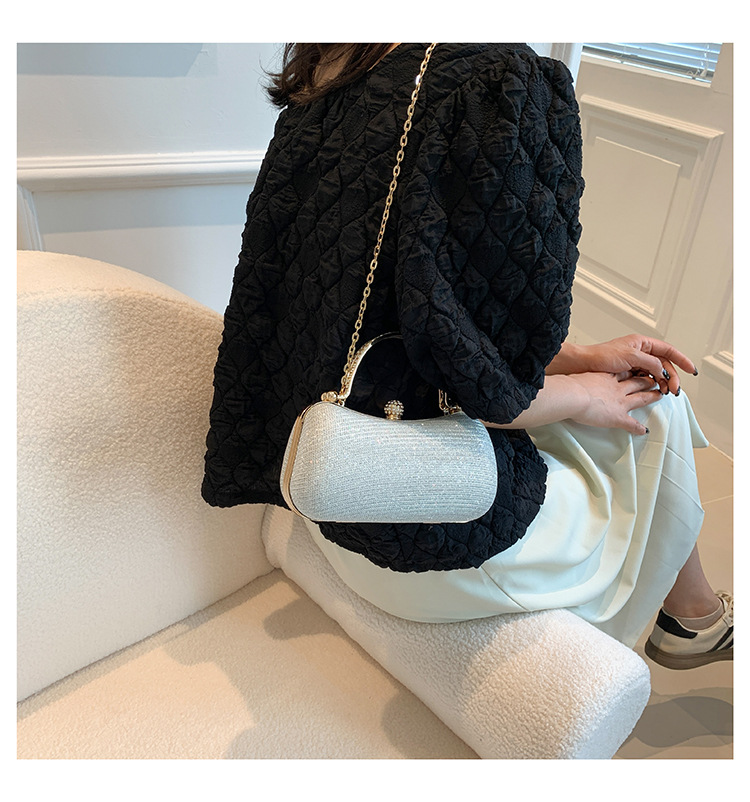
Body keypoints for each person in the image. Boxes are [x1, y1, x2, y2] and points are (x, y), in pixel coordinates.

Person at [201, 42, 732, 669]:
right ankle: (696, 619)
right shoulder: (497, 81)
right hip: (424, 530)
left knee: (623, 398)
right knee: (658, 406)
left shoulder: (333, 65)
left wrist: (580, 358)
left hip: (329, 487)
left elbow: (406, 319)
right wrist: (585, 391)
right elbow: (480, 387)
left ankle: (694, 616)